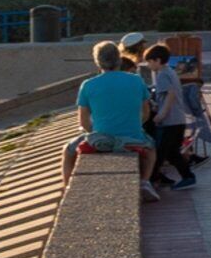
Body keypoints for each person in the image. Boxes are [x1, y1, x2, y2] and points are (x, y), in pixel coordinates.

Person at [68, 40, 160, 196]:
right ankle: (144, 182)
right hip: (132, 137)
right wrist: (134, 125)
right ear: (119, 59)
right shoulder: (136, 80)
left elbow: (83, 122)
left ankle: (67, 187)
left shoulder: (88, 85)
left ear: (98, 62)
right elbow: (146, 113)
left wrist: (96, 130)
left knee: (67, 150)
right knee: (151, 150)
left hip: (101, 139)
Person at [137, 42, 199, 190]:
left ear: (157, 60)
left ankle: (150, 180)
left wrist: (161, 114)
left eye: (149, 61)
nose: (148, 65)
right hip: (178, 119)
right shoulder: (170, 72)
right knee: (172, 152)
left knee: (159, 152)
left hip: (170, 121)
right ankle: (187, 177)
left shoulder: (163, 74)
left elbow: (170, 95)